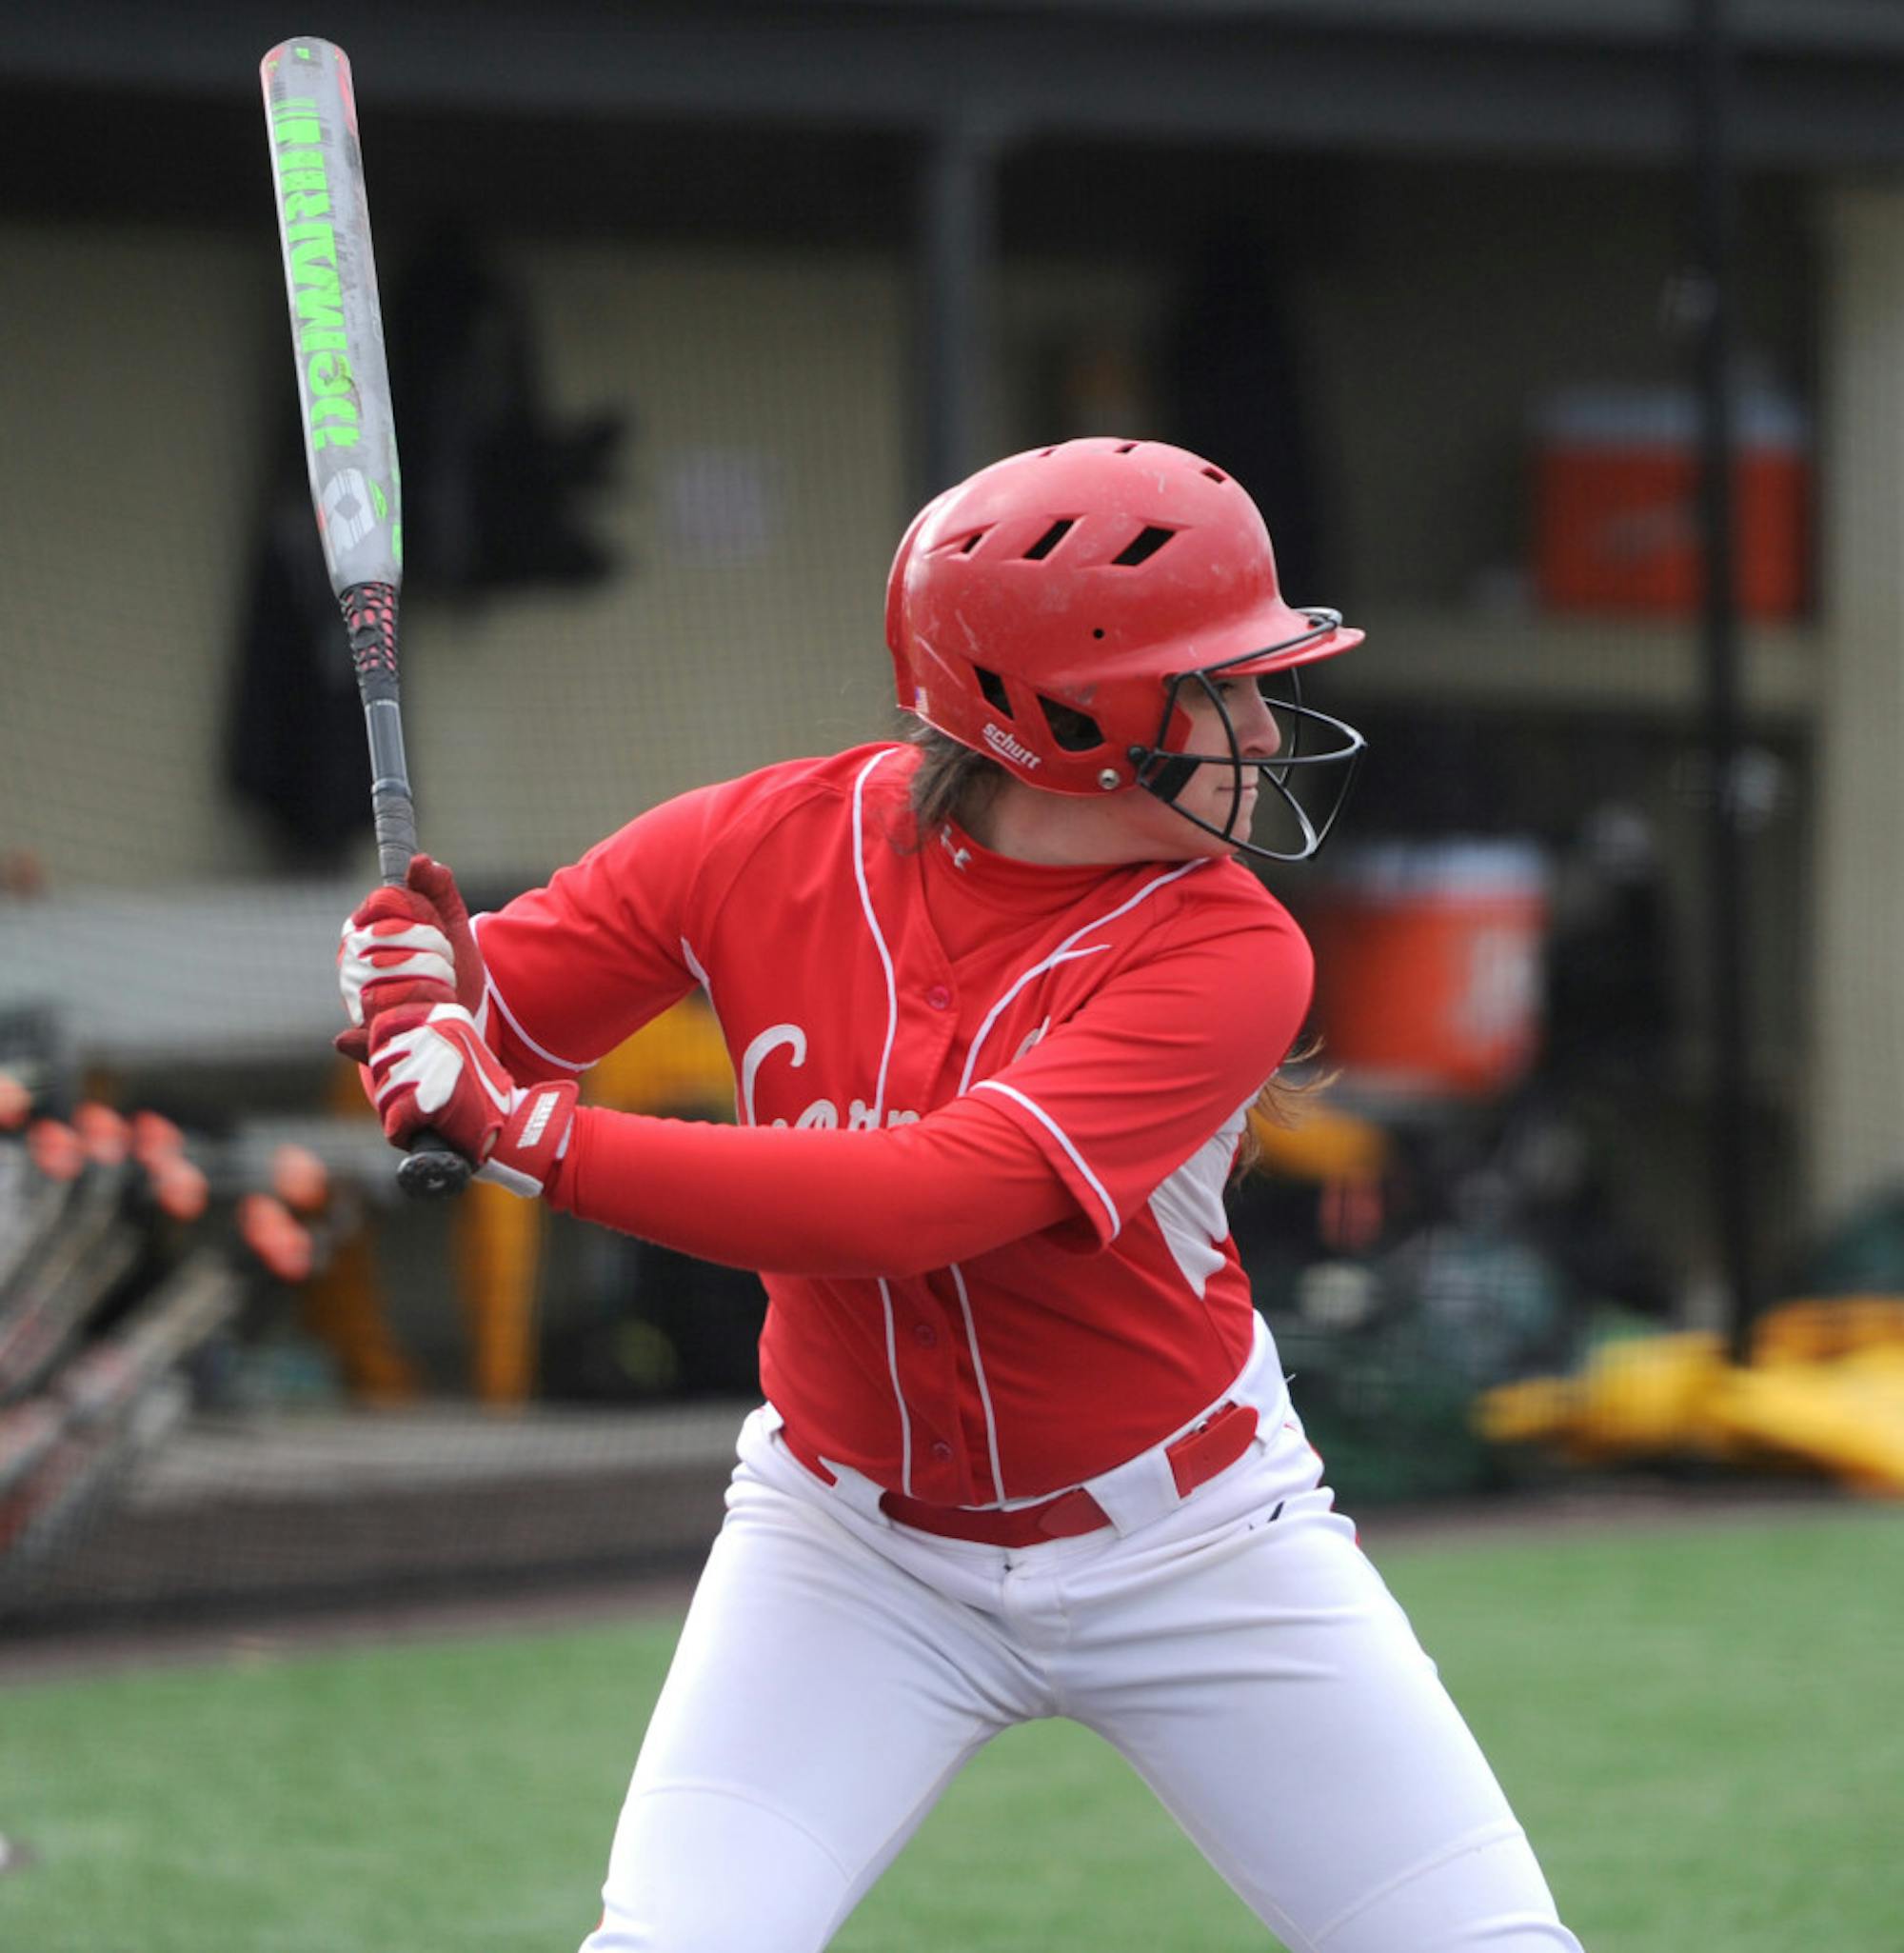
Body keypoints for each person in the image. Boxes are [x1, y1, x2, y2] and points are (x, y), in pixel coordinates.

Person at [337, 437, 1583, 1953]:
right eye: (1221, 682)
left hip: (1196, 1541)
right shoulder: (759, 844)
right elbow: (482, 1044)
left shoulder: (1233, 949)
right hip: (848, 1545)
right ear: (1071, 714)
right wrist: (415, 999)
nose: (1264, 717)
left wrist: (532, 1135)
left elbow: (929, 1196)